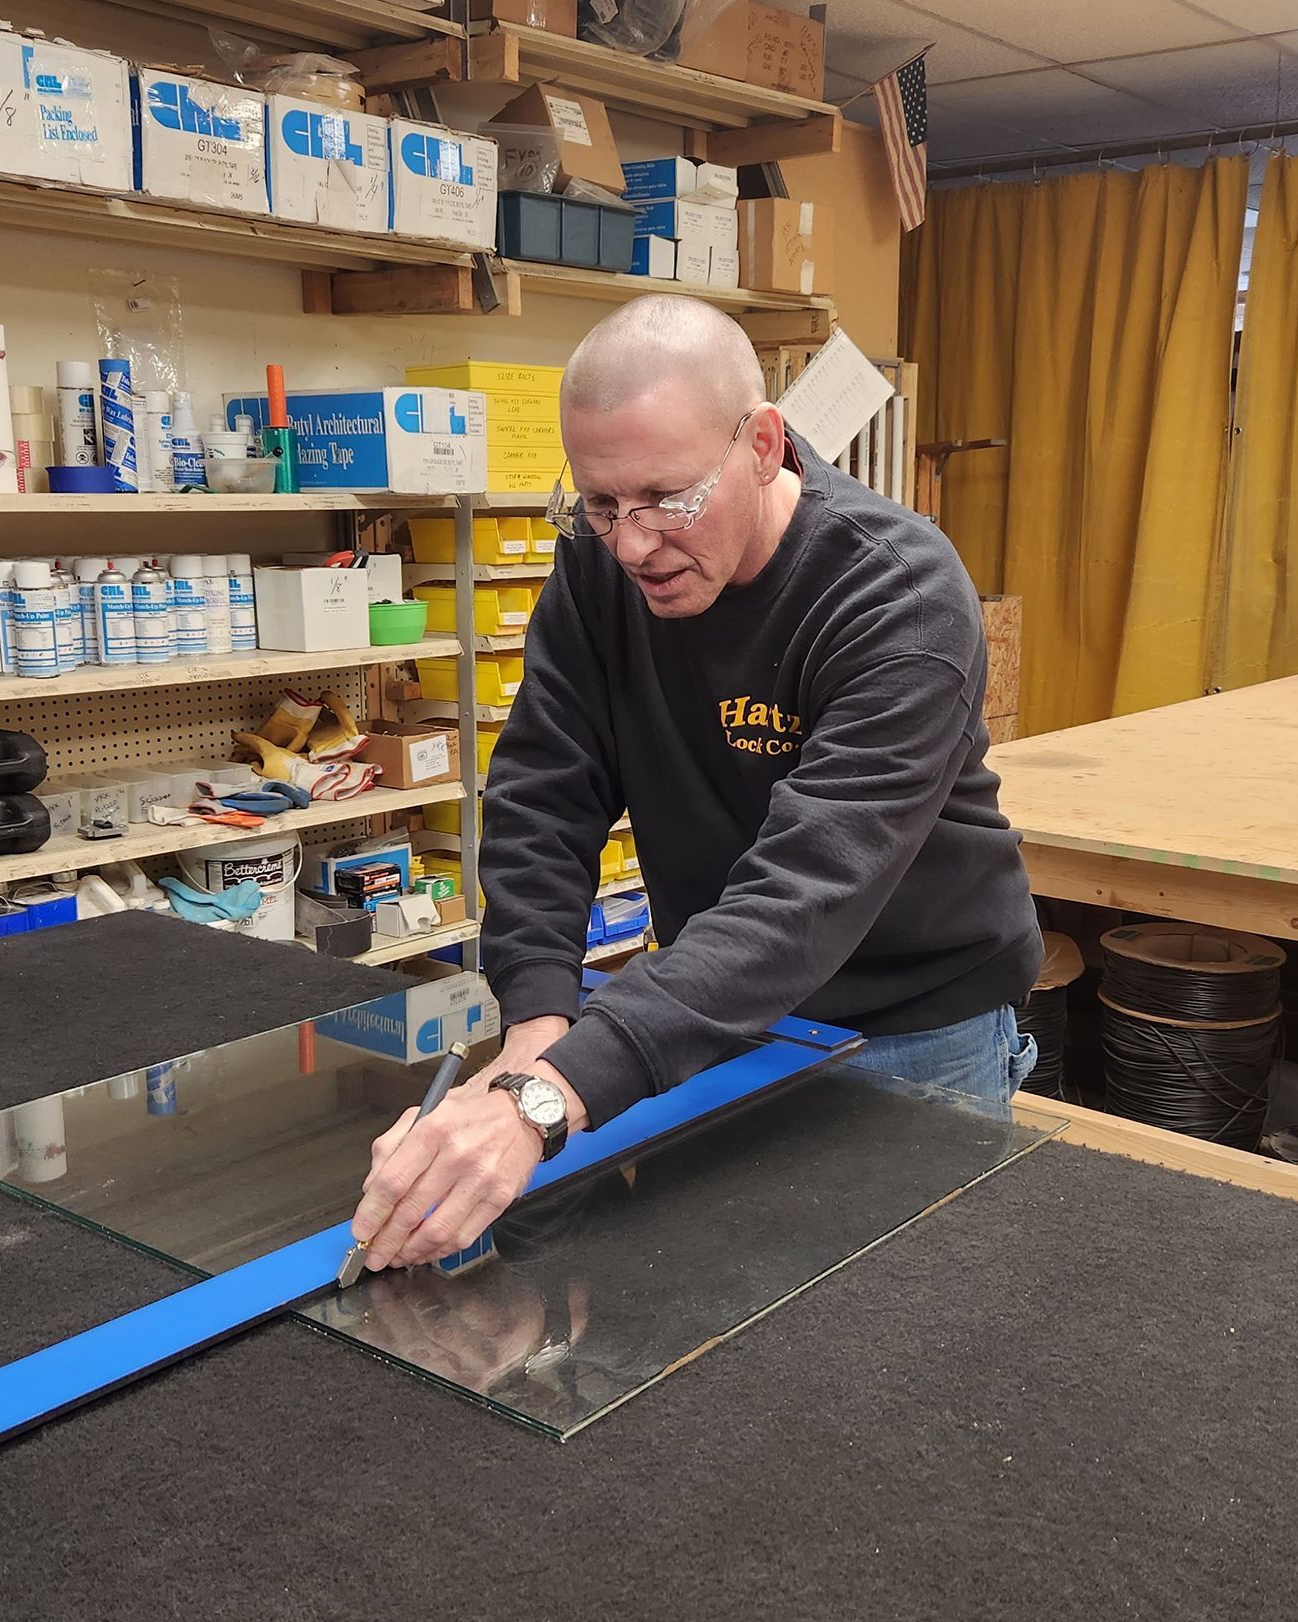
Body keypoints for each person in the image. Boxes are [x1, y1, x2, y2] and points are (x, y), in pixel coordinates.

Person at [349, 296, 1041, 1273]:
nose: (633, 544)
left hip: (913, 1030)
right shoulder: (601, 568)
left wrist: (550, 1098)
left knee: (893, 1345)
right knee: (694, 1328)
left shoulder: (899, 597)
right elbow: (546, 794)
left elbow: (799, 900)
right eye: (599, 503)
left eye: (667, 498)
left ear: (763, 444)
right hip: (715, 1012)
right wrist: (539, 1026)